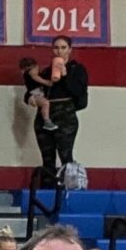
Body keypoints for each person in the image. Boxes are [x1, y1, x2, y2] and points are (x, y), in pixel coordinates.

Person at [36, 36, 90, 185]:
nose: (59, 51)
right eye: (56, 48)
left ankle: (69, 189)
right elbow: (33, 90)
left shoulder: (77, 69)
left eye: (63, 47)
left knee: (65, 154)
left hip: (65, 115)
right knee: (47, 157)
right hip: (45, 115)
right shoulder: (46, 71)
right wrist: (33, 99)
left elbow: (79, 92)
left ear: (70, 50)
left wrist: (65, 75)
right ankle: (46, 191)